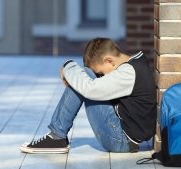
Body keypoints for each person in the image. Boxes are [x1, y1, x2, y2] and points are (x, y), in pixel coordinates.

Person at [20, 37, 157, 153]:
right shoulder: (135, 65)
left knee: (83, 77)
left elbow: (89, 89)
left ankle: (57, 136)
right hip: (124, 137)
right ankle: (57, 136)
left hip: (121, 140)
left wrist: (68, 66)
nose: (101, 76)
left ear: (109, 61)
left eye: (101, 73)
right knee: (80, 79)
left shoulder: (128, 72)